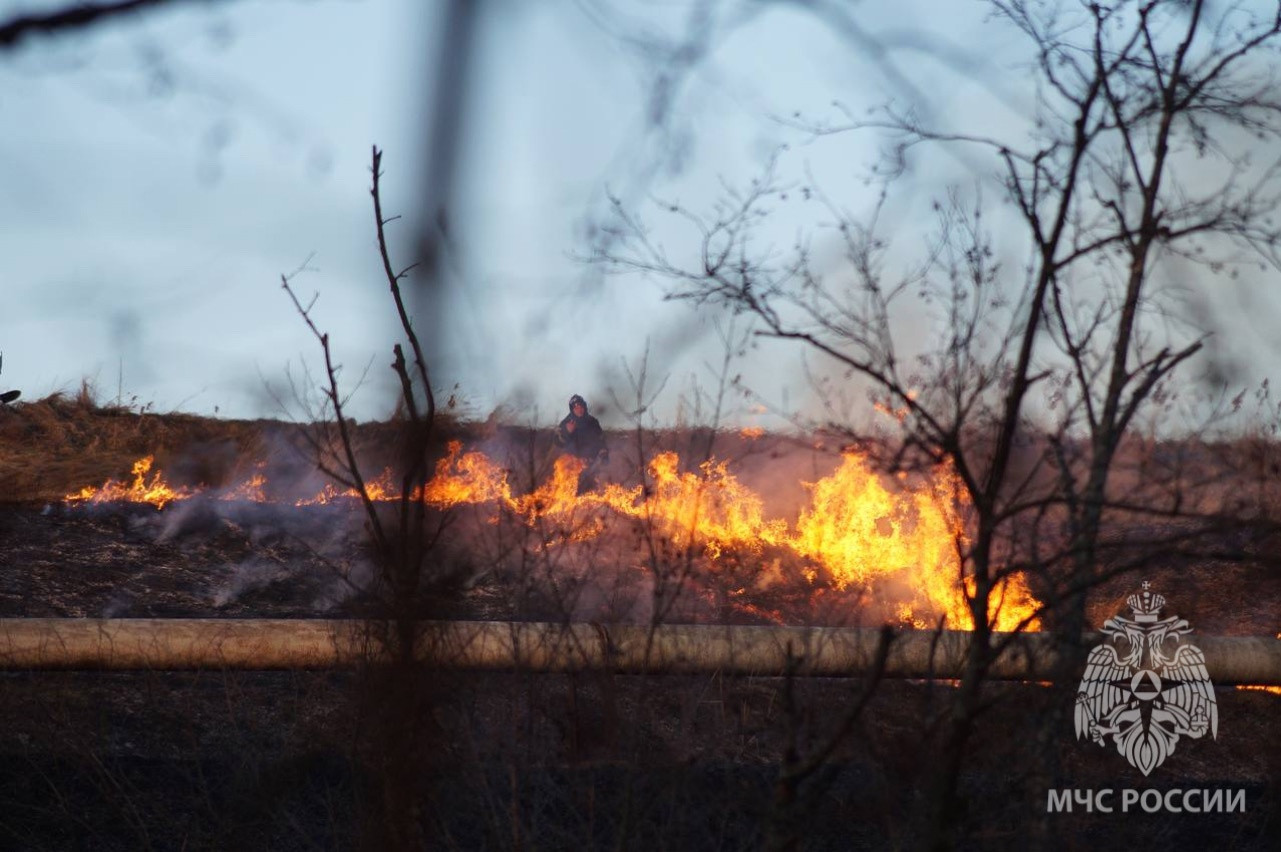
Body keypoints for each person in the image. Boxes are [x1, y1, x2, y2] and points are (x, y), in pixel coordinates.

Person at [556, 393, 608, 493]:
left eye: (581, 406)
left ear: (584, 407)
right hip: (573, 466)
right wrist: (567, 432)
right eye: (576, 407)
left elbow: (601, 440)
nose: (579, 409)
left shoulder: (592, 422)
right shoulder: (566, 423)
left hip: (592, 464)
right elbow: (558, 443)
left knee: (592, 493)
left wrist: (603, 451)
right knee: (575, 494)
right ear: (572, 409)